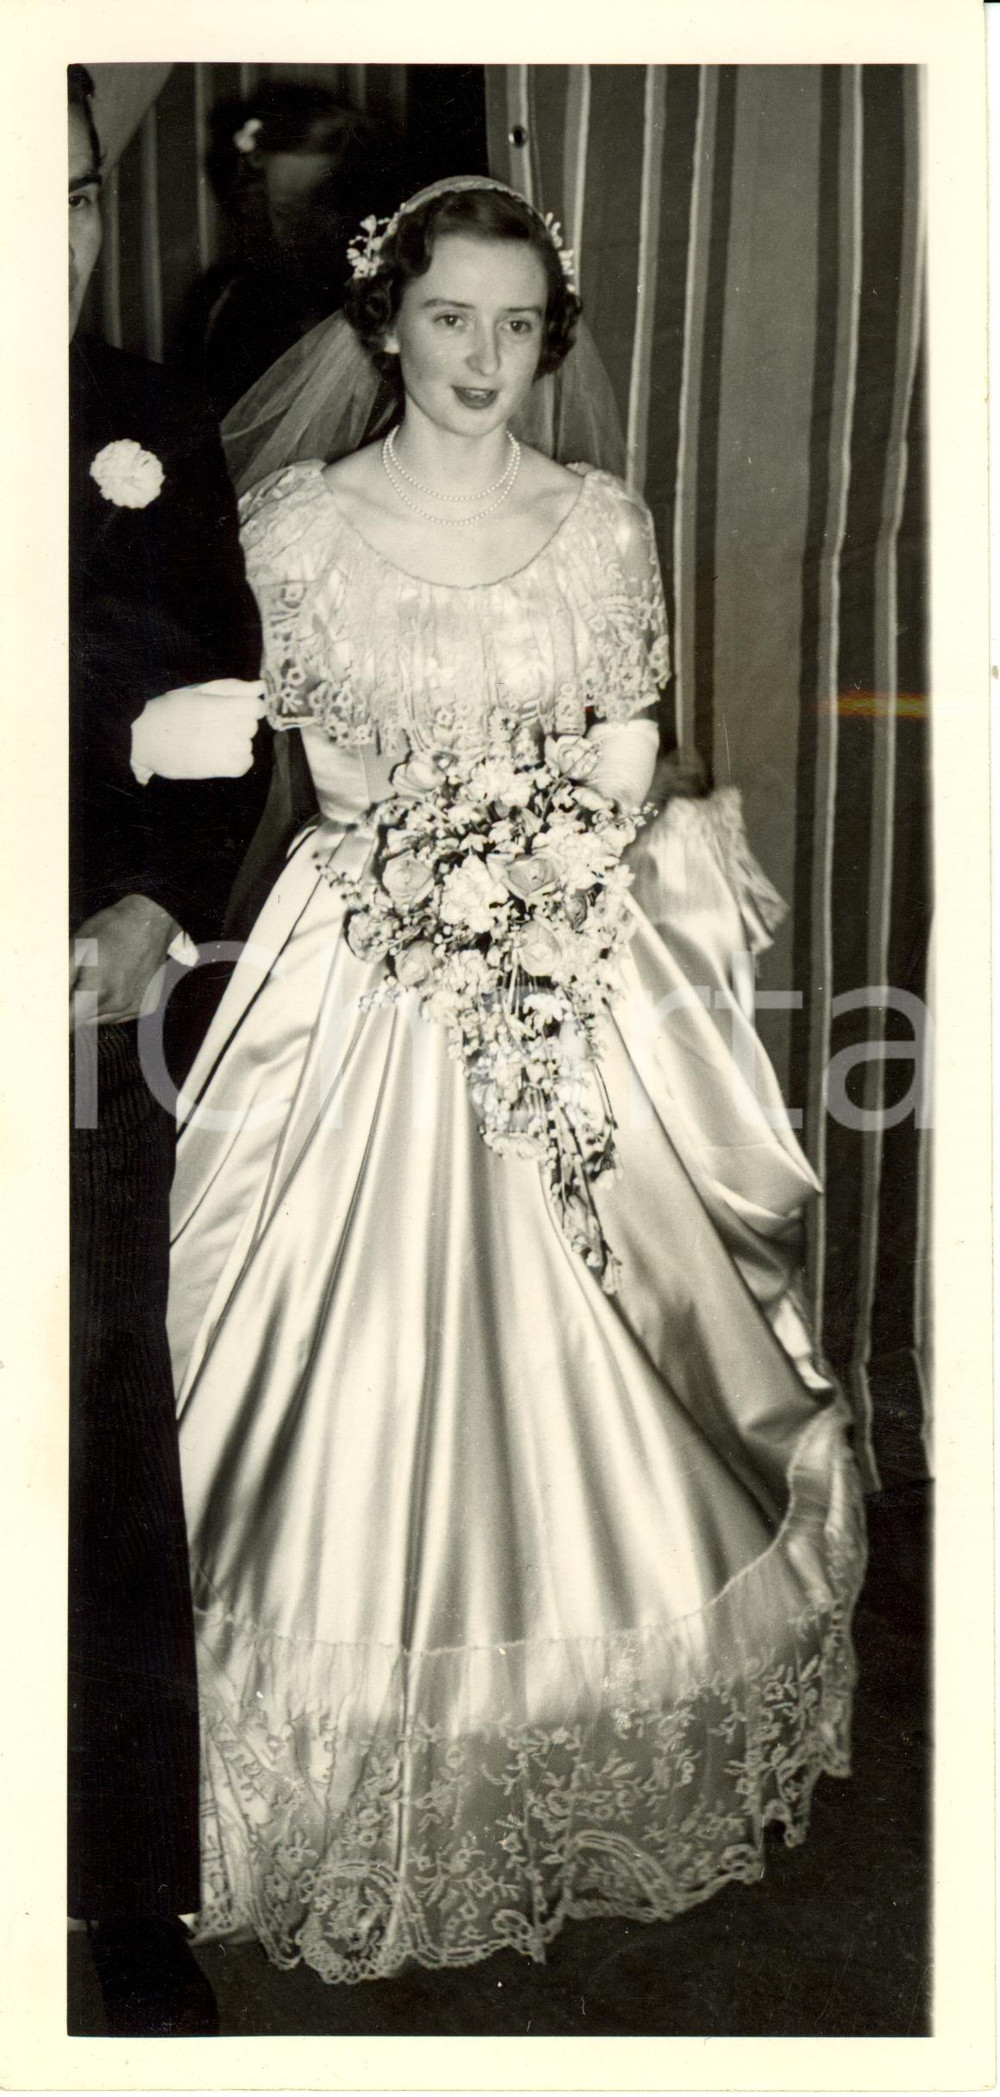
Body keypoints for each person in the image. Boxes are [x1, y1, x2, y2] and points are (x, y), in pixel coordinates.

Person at [166, 177, 866, 1985]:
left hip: (573, 968)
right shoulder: (295, 526)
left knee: (604, 1364)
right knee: (352, 1365)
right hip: (367, 985)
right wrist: (430, 878)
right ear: (385, 325)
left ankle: (571, 1738)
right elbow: (313, 772)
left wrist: (563, 872)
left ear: (553, 338)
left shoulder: (600, 521)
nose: (484, 358)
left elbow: (630, 747)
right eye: (450, 319)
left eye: (518, 325)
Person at [68, 64, 270, 2035]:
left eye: (71, 198)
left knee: (107, 1425)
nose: (47, 246)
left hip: (82, 997)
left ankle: (128, 1892)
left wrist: (152, 900)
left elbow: (221, 710)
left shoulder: (147, 422)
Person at [175, 82, 404, 418]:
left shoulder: (392, 294)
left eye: (322, 207)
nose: (302, 230)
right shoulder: (228, 304)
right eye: (285, 211)